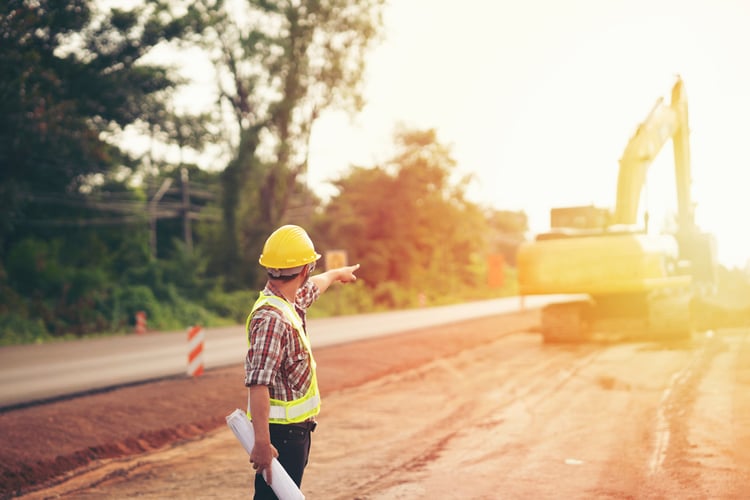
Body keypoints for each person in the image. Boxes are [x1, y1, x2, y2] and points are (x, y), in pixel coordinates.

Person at [245, 224, 359, 499]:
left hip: (295, 433)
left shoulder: (289, 301)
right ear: (305, 269)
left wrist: (336, 274)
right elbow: (259, 383)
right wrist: (262, 442)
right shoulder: (273, 318)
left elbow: (313, 289)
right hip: (280, 437)